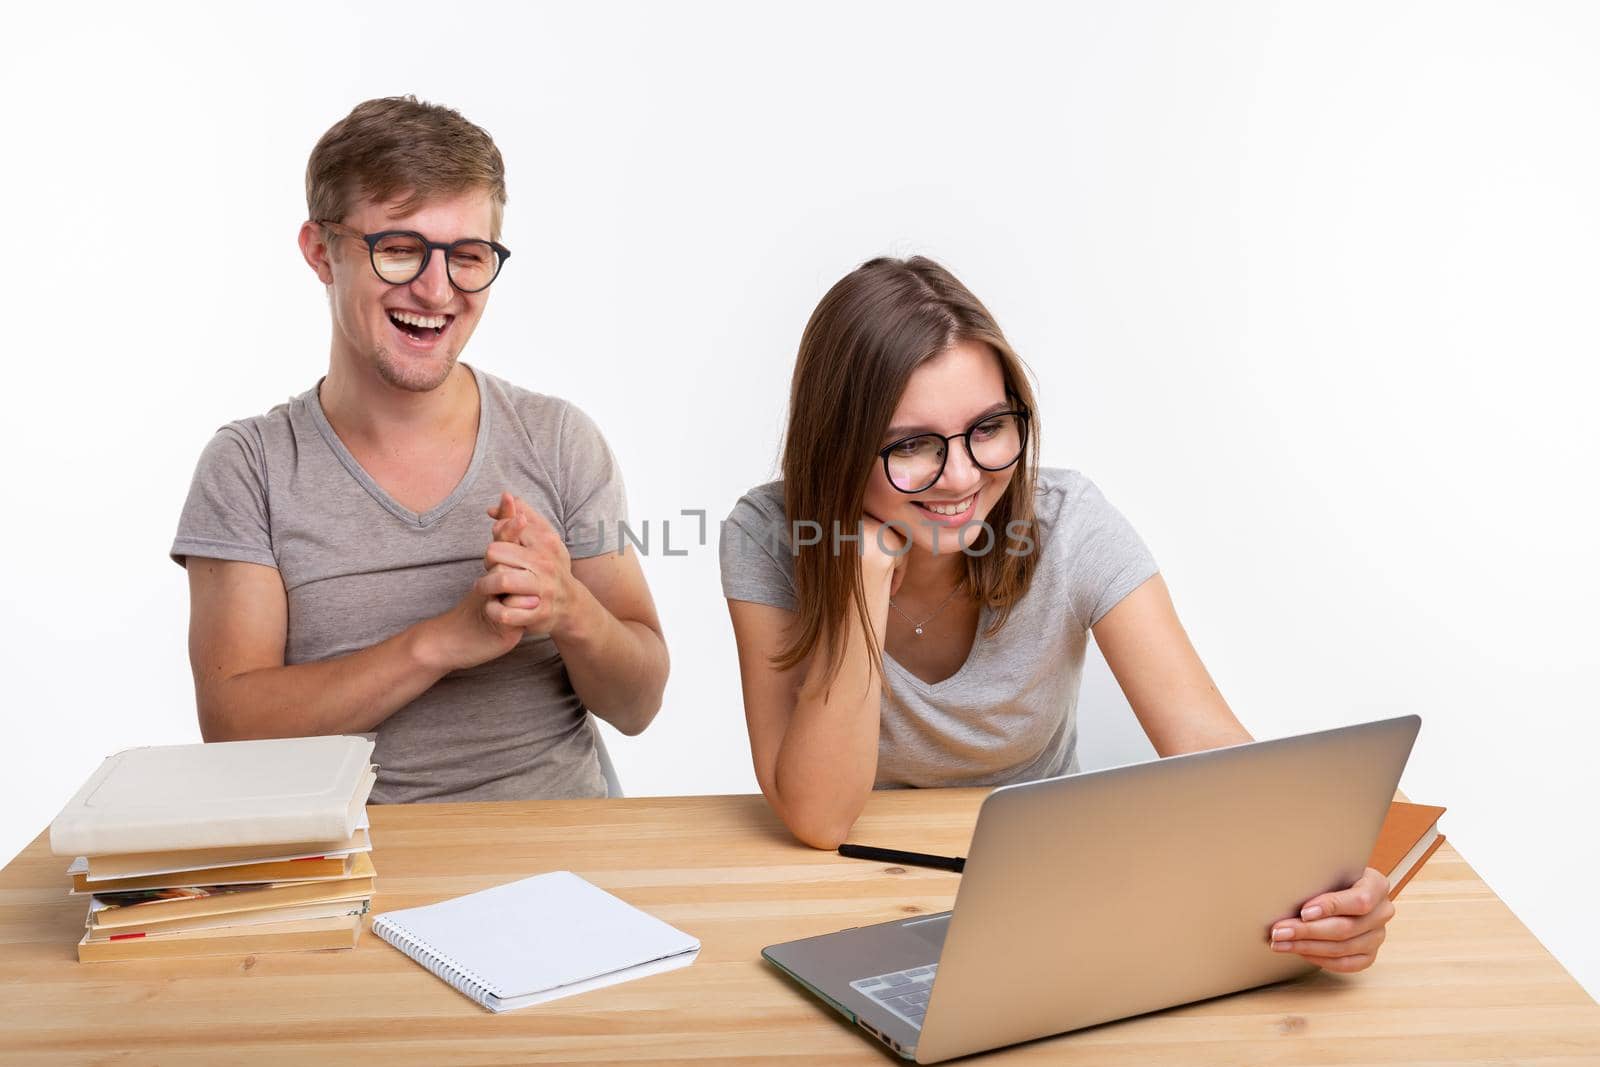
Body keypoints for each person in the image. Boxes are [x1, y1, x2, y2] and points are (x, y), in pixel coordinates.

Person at [720, 256, 1395, 972]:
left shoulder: (1069, 523)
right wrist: (862, 577)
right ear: (840, 445)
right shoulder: (766, 535)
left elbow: (1206, 739)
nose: (963, 476)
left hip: (1042, 894)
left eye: (989, 427)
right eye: (911, 445)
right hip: (842, 897)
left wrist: (1332, 882)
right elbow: (819, 815)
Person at [171, 96, 668, 803]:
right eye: (400, 250)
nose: (437, 291)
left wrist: (571, 610)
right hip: (354, 873)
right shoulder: (250, 468)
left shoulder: (558, 440)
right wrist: (439, 642)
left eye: (468, 256)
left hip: (563, 863)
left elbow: (639, 703)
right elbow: (234, 730)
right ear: (321, 252)